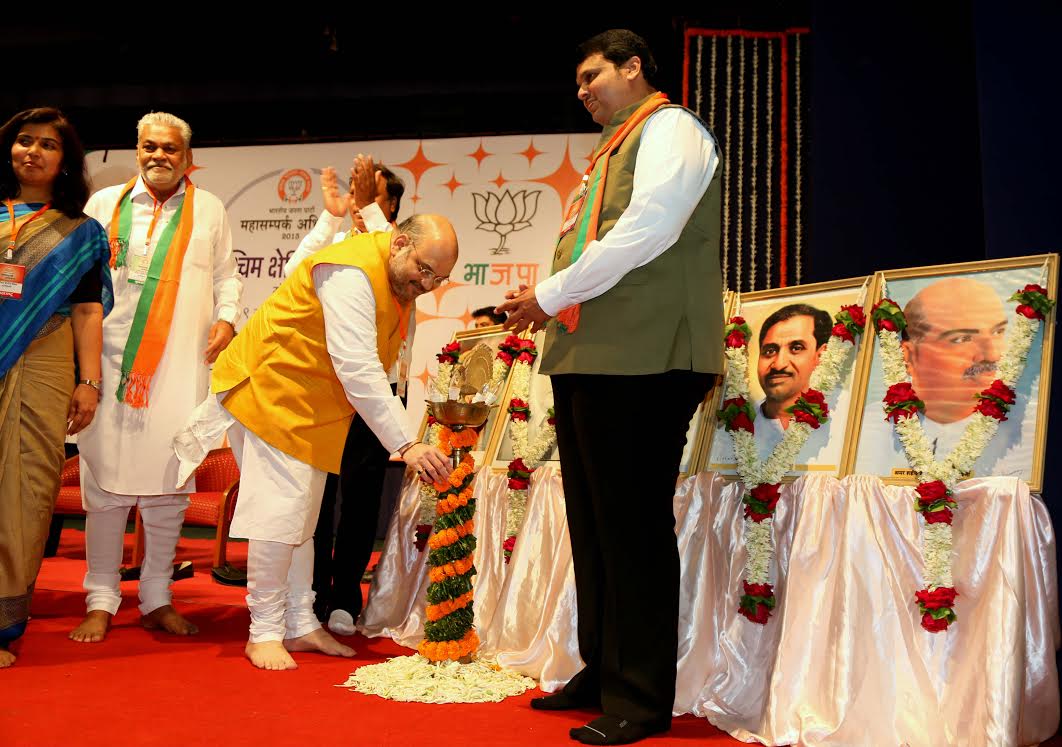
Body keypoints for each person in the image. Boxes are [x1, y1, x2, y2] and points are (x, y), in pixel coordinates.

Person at [498, 29, 722, 745]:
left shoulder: (672, 129)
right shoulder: (610, 148)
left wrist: (553, 291)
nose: (583, 89)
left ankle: (642, 694)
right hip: (592, 352)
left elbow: (648, 227)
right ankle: (603, 668)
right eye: (577, 81)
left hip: (650, 354)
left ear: (634, 68)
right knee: (594, 525)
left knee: (632, 526)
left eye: (593, 74)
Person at [173, 214, 458, 671]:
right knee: (278, 517)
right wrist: (407, 444)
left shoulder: (393, 276)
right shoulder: (350, 272)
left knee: (301, 522)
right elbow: (358, 367)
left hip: (313, 409)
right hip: (271, 391)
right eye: (424, 270)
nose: (427, 284)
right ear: (400, 243)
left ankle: (300, 623)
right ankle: (263, 630)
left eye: (439, 278)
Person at [70, 112, 243, 644]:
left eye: (170, 148)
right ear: (137, 150)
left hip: (177, 368)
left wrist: (227, 318)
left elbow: (226, 276)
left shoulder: (209, 208)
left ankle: (156, 598)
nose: (159, 156)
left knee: (170, 487)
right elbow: (81, 286)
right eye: (149, 147)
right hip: (109, 365)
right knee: (104, 487)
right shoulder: (102, 206)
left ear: (186, 156)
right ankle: (100, 598)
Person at [0, 107, 112, 667]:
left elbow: (89, 311)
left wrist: (89, 381)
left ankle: (1, 624)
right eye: (24, 140)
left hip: (45, 361)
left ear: (64, 160)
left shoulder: (80, 232)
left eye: (48, 144)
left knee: (26, 489)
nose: (33, 151)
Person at [296, 157, 411, 635]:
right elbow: (292, 272)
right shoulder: (338, 245)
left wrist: (367, 210)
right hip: (322, 395)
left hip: (374, 396)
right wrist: (331, 215)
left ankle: (345, 596)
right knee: (315, 501)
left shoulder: (402, 253)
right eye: (359, 190)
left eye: (373, 193)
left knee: (360, 501)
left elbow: (385, 248)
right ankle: (310, 594)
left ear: (392, 208)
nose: (360, 199)